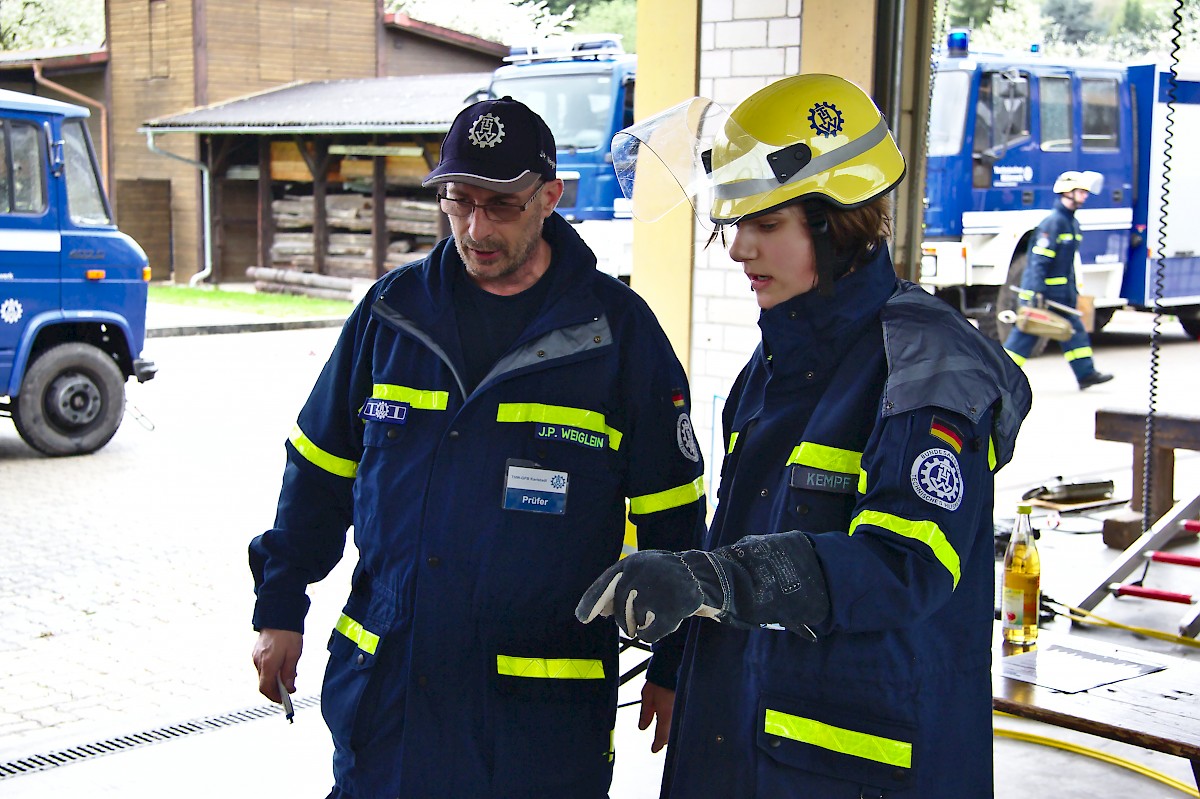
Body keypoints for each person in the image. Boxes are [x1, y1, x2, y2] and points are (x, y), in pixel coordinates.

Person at [577, 74, 1032, 798]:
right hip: (735, 733)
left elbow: (903, 565)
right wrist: (680, 665)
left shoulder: (924, 367)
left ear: (838, 219)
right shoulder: (777, 361)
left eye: (766, 225)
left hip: (853, 764)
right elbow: (741, 534)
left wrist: (711, 580)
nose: (737, 251)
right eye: (734, 226)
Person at [249, 96, 707, 799]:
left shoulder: (617, 336)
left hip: (538, 730)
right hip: (391, 706)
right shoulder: (391, 315)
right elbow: (317, 470)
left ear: (549, 197)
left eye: (500, 205)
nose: (474, 227)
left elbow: (673, 516)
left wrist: (676, 664)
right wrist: (280, 604)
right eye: (458, 202)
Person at [1004, 170, 1113, 389]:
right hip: (1045, 295)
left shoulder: (1072, 224)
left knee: (1074, 333)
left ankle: (1086, 374)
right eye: (1080, 192)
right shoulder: (1052, 224)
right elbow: (1037, 262)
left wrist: (1073, 293)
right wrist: (1034, 295)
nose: (1084, 196)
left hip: (1062, 296)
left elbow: (1068, 266)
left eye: (1084, 192)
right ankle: (999, 376)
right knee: (1025, 336)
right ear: (1067, 192)